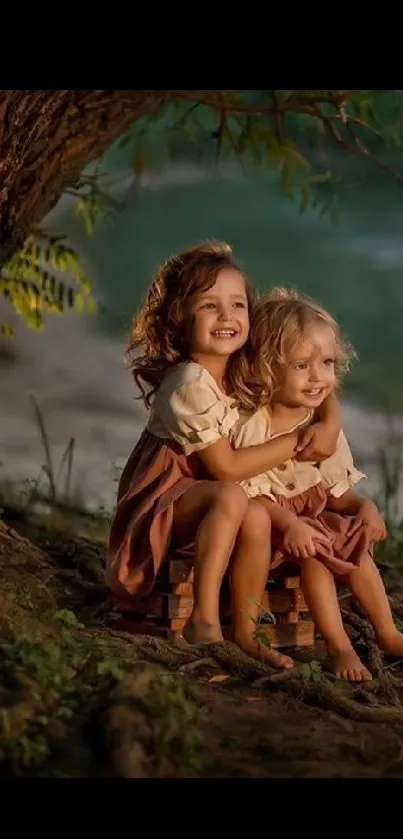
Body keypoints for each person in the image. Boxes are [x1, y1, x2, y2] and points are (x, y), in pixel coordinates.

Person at [106, 241, 341, 668]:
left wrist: (331, 421)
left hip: (210, 497)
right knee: (234, 496)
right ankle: (204, 621)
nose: (227, 317)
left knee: (249, 508)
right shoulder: (188, 383)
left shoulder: (238, 364)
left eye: (237, 305)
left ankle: (246, 633)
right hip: (163, 502)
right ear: (179, 316)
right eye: (210, 306)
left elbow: (313, 372)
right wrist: (300, 440)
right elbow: (225, 469)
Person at [231, 286, 403, 681]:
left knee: (352, 541)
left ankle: (388, 633)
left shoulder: (322, 428)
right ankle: (339, 647)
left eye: (326, 363)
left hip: (311, 521)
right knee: (316, 556)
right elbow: (248, 495)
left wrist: (365, 508)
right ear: (266, 367)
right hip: (272, 531)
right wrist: (291, 524)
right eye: (301, 366)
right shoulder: (253, 424)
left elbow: (335, 493)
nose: (318, 378)